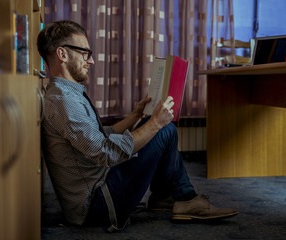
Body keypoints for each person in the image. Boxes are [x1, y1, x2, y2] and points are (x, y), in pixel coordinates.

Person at [37, 20, 238, 232]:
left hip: (99, 186)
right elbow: (106, 153)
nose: (91, 60)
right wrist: (155, 123)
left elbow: (100, 136)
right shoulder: (64, 101)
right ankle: (183, 198)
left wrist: (136, 115)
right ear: (62, 54)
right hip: (96, 206)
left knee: (152, 125)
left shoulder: (66, 94)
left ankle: (165, 197)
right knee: (163, 129)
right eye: (85, 53)